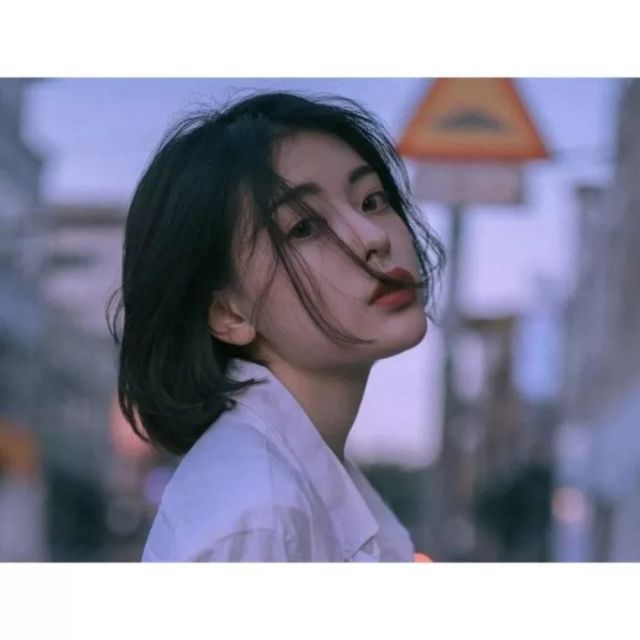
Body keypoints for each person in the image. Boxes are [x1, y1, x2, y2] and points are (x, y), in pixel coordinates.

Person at [107, 91, 445, 561]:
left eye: (372, 201)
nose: (373, 237)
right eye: (304, 229)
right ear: (229, 314)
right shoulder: (258, 517)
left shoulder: (296, 481)